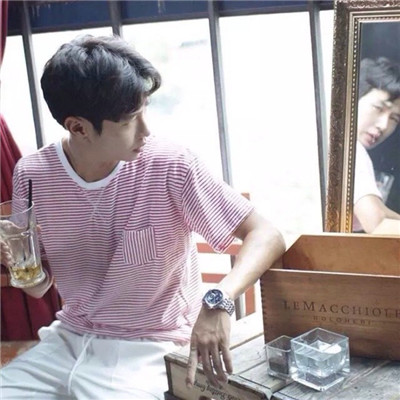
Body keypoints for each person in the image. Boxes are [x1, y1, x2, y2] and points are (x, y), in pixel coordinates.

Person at [0, 35, 285, 399]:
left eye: (144, 110)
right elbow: (38, 287)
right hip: (66, 341)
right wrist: (20, 262)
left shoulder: (170, 166)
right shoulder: (33, 174)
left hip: (150, 347)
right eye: (129, 120)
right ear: (78, 127)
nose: (146, 131)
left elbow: (267, 235)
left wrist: (219, 300)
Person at [353, 57, 400, 233]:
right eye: (378, 108)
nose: (384, 125)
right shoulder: (351, 152)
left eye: (394, 118)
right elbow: (377, 222)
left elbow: (380, 213)